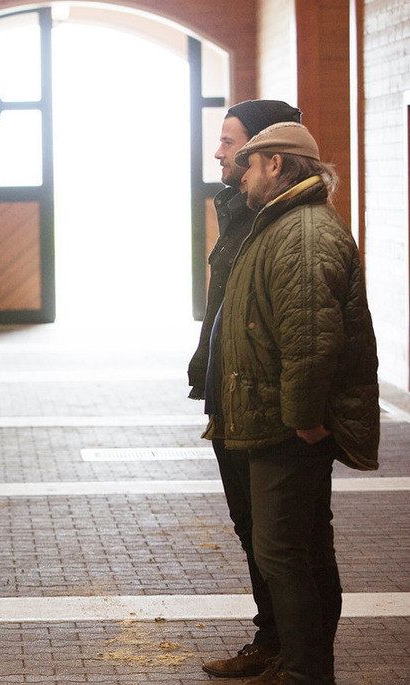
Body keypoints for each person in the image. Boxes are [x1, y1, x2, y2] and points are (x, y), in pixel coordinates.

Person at [208, 122, 379, 685]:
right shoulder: (284, 225)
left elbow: (310, 338)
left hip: (288, 426)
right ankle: (299, 663)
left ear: (276, 165)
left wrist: (304, 418)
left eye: (251, 163)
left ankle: (305, 672)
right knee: (296, 549)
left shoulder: (302, 233)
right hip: (274, 416)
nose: (245, 174)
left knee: (286, 553)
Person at [189, 99, 302, 679]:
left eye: (229, 142)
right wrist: (203, 357)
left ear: (266, 154)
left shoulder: (276, 222)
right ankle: (275, 638)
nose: (219, 152)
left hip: (261, 401)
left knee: (275, 532)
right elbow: (227, 305)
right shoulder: (239, 210)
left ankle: (288, 647)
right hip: (229, 392)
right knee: (250, 525)